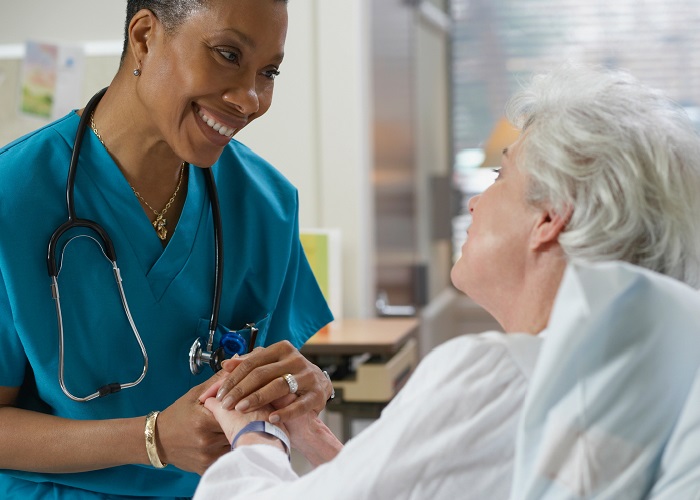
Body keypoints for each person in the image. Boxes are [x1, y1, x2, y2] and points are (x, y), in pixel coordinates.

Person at [193, 63, 700, 499]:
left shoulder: (501, 373)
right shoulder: (603, 388)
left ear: (551, 218)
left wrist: (254, 434)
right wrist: (310, 435)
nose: (476, 201)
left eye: (501, 178)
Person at [0, 0, 334, 498]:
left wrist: (302, 389)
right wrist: (150, 439)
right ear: (144, 36)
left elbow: (265, 405)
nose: (250, 98)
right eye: (227, 54)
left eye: (268, 72)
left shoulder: (267, 204)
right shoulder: (14, 196)